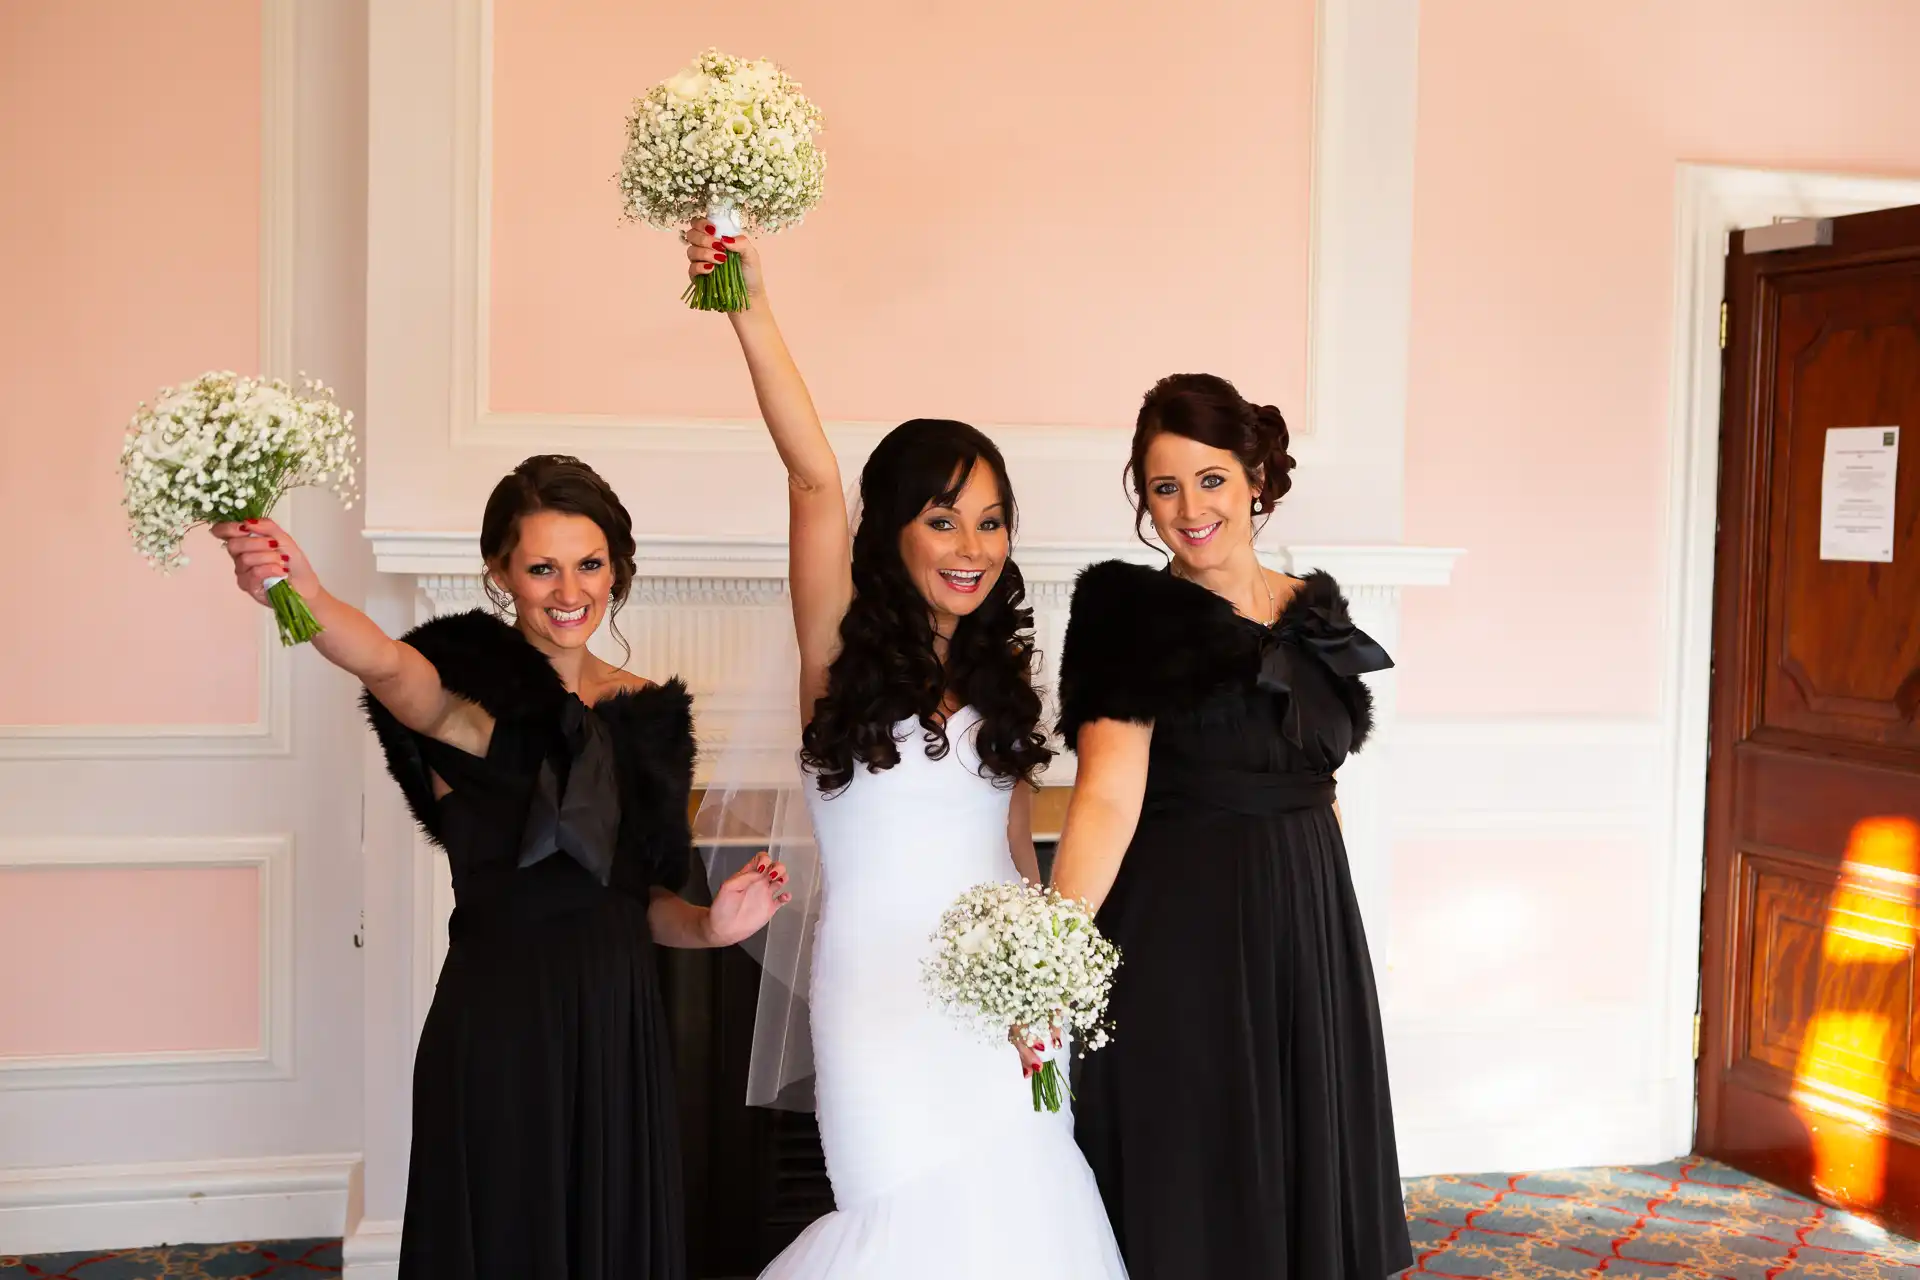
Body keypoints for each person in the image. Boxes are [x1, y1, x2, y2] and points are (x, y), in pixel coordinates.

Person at [214, 454, 791, 1280]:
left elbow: (641, 902)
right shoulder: (466, 697)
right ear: (500, 572)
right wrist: (298, 589)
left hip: (617, 1029)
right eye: (542, 568)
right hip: (502, 1026)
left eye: (589, 564)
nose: (570, 591)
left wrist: (712, 926)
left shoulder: (650, 717)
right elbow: (384, 663)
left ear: (617, 570)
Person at [681, 227, 1126, 1278]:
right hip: (877, 996)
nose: (973, 548)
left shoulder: (1004, 678)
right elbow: (812, 480)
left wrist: (1044, 984)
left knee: (1031, 1211)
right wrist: (745, 298)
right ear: (892, 531)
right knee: (896, 1227)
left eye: (991, 523)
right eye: (944, 520)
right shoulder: (834, 652)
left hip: (1003, 1002)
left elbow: (1013, 859)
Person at [1049, 374, 1412, 1279]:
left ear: (1255, 476)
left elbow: (1318, 783)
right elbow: (1105, 797)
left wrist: (1328, 924)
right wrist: (1053, 963)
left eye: (1210, 479)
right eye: (1164, 487)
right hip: (1186, 929)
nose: (1190, 508)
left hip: (1309, 919)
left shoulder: (1315, 611)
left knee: (1300, 1156)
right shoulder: (1127, 614)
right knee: (1198, 1167)